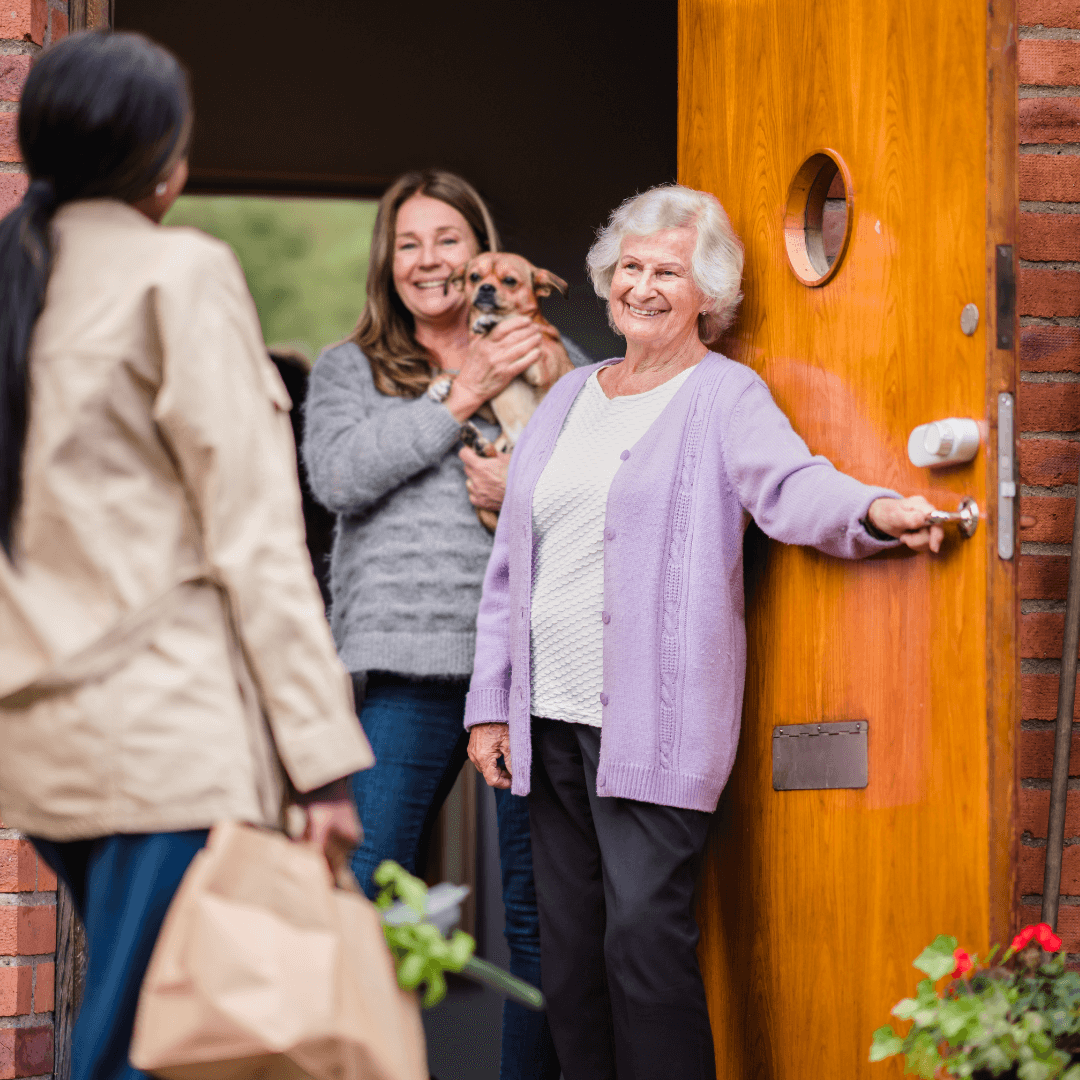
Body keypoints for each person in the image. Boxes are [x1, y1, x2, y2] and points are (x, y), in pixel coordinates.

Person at [465, 184, 946, 1080]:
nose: (644, 287)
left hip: (655, 726)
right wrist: (490, 704)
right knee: (569, 970)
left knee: (643, 954)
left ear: (708, 296)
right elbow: (509, 571)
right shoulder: (568, 395)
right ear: (607, 281)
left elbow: (793, 486)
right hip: (549, 725)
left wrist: (876, 510)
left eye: (669, 272)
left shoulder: (725, 396)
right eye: (632, 268)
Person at [0, 32, 372, 1080]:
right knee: (144, 1052)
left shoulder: (13, 279)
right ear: (160, 158)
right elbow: (255, 538)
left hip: (43, 743)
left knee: (136, 1032)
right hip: (164, 737)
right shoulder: (180, 272)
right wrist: (325, 761)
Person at [302, 169, 579, 1080]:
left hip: (528, 666)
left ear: (484, 252)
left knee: (540, 913)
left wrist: (527, 458)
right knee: (366, 897)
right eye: (410, 242)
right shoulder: (353, 369)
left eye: (449, 240)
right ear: (388, 260)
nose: (431, 260)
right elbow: (339, 477)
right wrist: (457, 394)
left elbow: (603, 486)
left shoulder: (549, 352)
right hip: (408, 663)